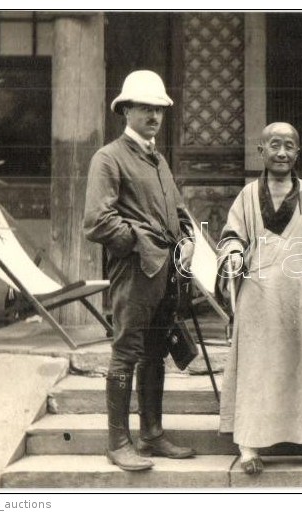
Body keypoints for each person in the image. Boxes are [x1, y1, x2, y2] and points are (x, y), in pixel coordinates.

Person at [216, 122, 302, 475]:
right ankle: (249, 444)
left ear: (297, 152)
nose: (281, 152)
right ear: (261, 151)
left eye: (289, 146)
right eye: (274, 145)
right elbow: (232, 235)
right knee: (258, 366)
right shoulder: (247, 195)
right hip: (260, 293)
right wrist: (232, 253)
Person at [84, 70, 197, 471]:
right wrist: (141, 240)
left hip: (165, 271)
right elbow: (97, 221)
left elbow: (178, 210)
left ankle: (151, 433)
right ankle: (118, 442)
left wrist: (187, 237)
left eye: (159, 109)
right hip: (134, 271)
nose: (153, 116)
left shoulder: (157, 158)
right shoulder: (108, 157)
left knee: (155, 351)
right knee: (126, 352)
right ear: (125, 110)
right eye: (145, 108)